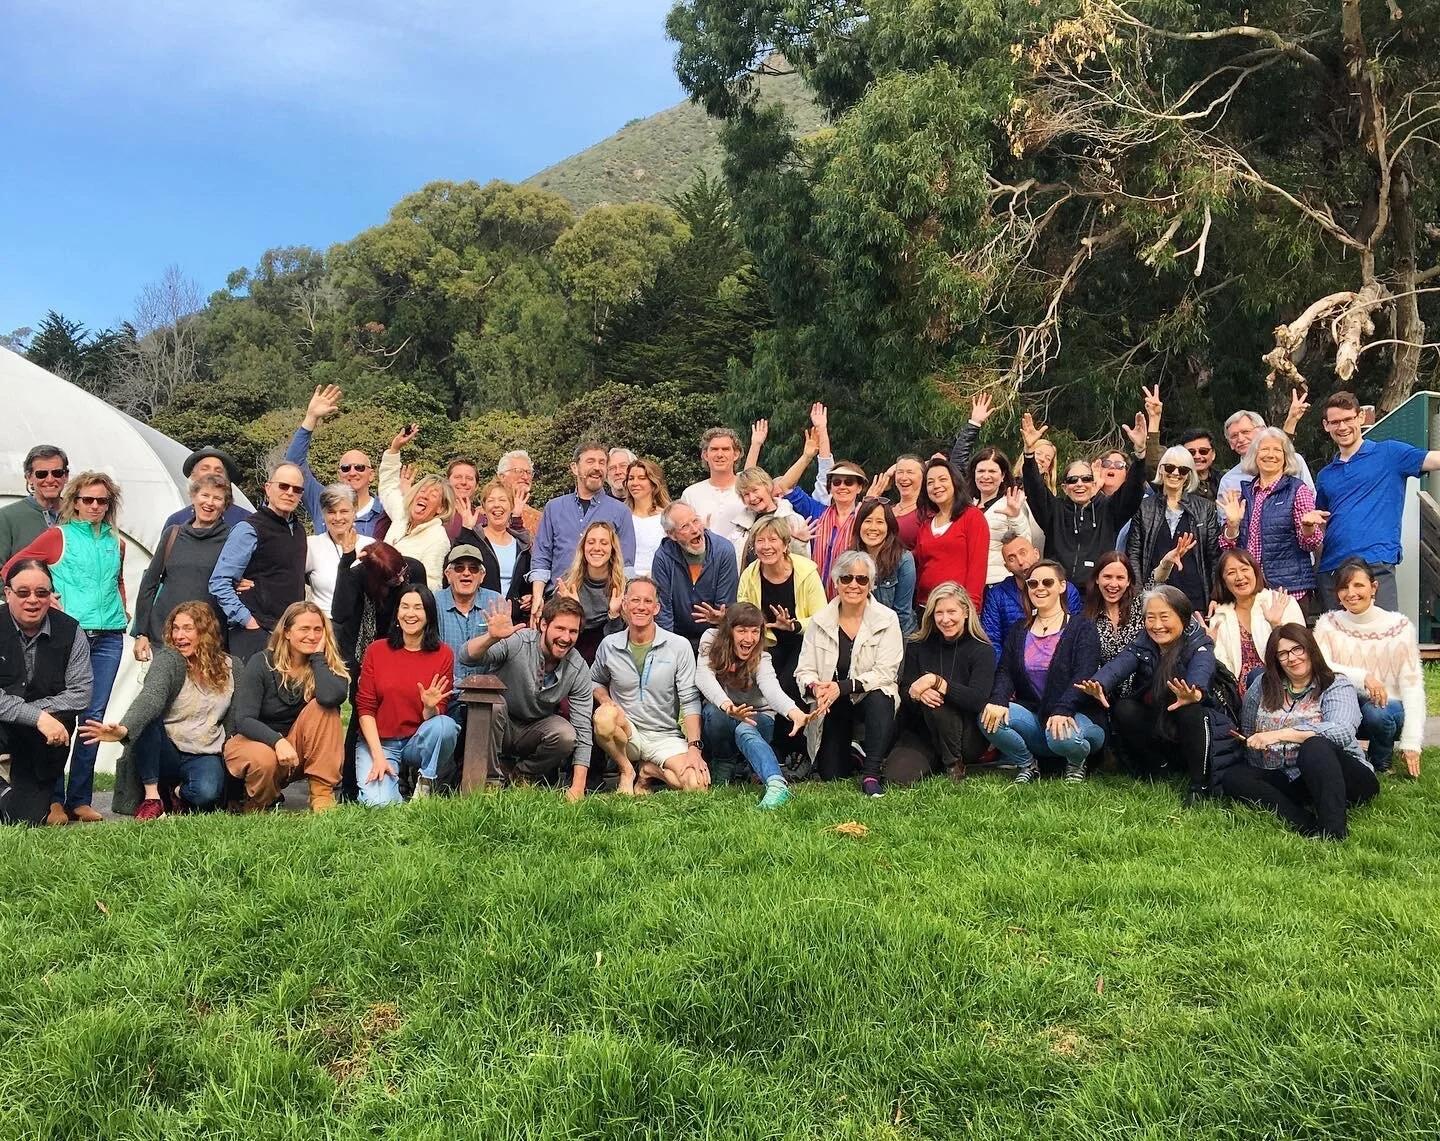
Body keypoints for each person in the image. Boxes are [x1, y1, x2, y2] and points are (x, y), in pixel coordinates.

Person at [4, 470, 127, 824]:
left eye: (102, 500)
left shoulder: (115, 541)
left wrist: (122, 606)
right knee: (60, 713)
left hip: (110, 635)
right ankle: (53, 799)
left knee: (93, 719)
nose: (95, 506)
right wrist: (50, 598)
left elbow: (117, 579)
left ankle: (80, 799)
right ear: (75, 501)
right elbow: (13, 567)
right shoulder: (59, 535)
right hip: (71, 634)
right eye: (88, 499)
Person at [1077, 585, 1239, 804]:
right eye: (1150, 618)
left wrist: (1195, 692)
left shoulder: (1199, 645)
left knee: (1189, 709)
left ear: (1183, 617)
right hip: (1162, 723)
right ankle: (1159, 766)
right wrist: (1099, 683)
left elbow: (1202, 669)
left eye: (1164, 617)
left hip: (1199, 728)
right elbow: (1120, 664)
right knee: (1125, 709)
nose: (1157, 625)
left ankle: (1198, 784)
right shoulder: (1143, 643)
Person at [1220, 623, 1378, 839]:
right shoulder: (1262, 685)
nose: (1292, 658)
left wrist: (1279, 734)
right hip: (1288, 776)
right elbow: (1249, 731)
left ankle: (1333, 832)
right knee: (1234, 776)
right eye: (1283, 654)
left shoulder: (1336, 684)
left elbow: (1341, 731)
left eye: (1297, 649)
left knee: (1315, 746)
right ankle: (1303, 822)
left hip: (1342, 776)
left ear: (1310, 649)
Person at [86, 601, 236, 819]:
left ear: (206, 632)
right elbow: (151, 697)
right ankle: (153, 797)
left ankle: (175, 793)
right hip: (166, 750)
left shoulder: (231, 666)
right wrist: (124, 729)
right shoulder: (169, 660)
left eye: (187, 628)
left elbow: (235, 718)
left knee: (206, 795)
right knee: (149, 719)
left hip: (204, 751)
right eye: (175, 628)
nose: (179, 636)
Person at [460, 595, 594, 801]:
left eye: (573, 631)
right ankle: (489, 782)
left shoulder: (577, 667)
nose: (566, 637)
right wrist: (491, 638)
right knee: (492, 705)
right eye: (560, 628)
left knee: (566, 734)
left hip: (534, 729)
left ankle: (522, 777)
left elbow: (583, 729)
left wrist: (578, 787)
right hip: (500, 721)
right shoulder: (519, 641)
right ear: (543, 625)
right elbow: (466, 657)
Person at [1314, 390, 1440, 610]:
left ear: (1360, 417)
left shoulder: (1390, 453)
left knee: (1384, 630)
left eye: (1348, 419)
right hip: (1332, 570)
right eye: (1335, 422)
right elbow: (1322, 524)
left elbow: (1434, 460)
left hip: (1375, 564)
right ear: (1326, 426)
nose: (1342, 427)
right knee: (1336, 633)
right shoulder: (1325, 475)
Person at [981, 560, 1104, 783]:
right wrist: (998, 699)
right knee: (988, 717)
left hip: (1078, 715)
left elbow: (1083, 674)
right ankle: (1028, 764)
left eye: (1047, 582)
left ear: (1062, 586)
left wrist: (1063, 709)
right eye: (1033, 583)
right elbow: (1006, 671)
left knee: (1061, 738)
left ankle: (1076, 762)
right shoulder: (1019, 629)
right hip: (1038, 718)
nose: (1039, 588)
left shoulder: (1082, 627)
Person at [795, 550, 904, 796]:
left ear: (871, 584)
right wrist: (815, 687)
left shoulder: (887, 619)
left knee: (882, 696)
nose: (853, 585)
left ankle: (871, 773)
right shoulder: (819, 621)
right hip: (833, 703)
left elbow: (886, 672)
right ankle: (854, 753)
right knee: (831, 774)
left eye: (861, 579)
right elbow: (804, 669)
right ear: (836, 582)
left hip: (868, 696)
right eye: (846, 578)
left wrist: (841, 687)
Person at [223, 601, 349, 812]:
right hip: (257, 741)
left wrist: (318, 658)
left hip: (298, 747)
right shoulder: (261, 662)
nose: (312, 635)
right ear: (287, 632)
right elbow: (244, 719)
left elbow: (330, 698)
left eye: (318, 629)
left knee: (325, 709)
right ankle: (259, 802)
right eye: (304, 629)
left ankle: (321, 797)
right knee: (264, 759)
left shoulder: (327, 665)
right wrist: (278, 741)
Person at [592, 576, 708, 794]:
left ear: (656, 608)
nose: (641, 607)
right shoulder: (609, 645)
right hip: (627, 732)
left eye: (648, 601)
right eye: (635, 600)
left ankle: (648, 771)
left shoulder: (678, 646)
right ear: (624, 605)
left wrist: (694, 747)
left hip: (664, 735)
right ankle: (627, 770)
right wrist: (606, 700)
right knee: (603, 718)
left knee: (697, 785)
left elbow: (690, 699)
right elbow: (594, 680)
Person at [1313, 558, 1425, 777]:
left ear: (1373, 587)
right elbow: (1321, 666)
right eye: (1344, 587)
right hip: (1343, 705)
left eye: (1358, 585)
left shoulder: (1399, 626)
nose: (1351, 593)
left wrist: (1411, 741)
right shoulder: (1328, 623)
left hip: (1387, 710)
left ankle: (1381, 760)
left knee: (1377, 712)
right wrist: (1363, 677)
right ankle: (1344, 759)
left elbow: (1413, 686)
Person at [0, 560, 91, 826]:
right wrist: (39, 717)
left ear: (51, 595)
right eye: (23, 592)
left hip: (41, 742)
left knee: (24, 819)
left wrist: (34, 717)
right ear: (7, 593)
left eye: (41, 593)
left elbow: (81, 693)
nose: (33, 600)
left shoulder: (71, 631)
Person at [696, 602, 810, 808]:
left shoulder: (762, 657)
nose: (749, 638)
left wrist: (793, 712)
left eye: (755, 631)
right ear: (729, 631)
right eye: (742, 631)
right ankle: (724, 764)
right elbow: (703, 677)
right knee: (714, 712)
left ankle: (777, 785)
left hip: (758, 714)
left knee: (745, 730)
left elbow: (771, 688)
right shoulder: (710, 639)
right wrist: (728, 706)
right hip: (726, 710)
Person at [355, 584, 458, 806]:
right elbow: (365, 708)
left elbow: (436, 717)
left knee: (445, 726)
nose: (410, 614)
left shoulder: (444, 654)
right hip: (381, 742)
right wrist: (378, 757)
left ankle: (425, 784)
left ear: (429, 615)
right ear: (397, 612)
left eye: (418, 608)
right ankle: (396, 787)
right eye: (405, 607)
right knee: (380, 804)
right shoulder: (376, 650)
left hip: (417, 740)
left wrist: (429, 706)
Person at [883, 582, 994, 785]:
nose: (945, 619)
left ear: (966, 612)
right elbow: (905, 690)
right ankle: (935, 760)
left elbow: (978, 699)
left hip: (965, 735)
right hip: (923, 732)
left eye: (952, 611)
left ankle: (953, 764)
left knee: (937, 703)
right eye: (939, 613)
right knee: (896, 778)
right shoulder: (918, 645)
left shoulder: (982, 649)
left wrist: (937, 682)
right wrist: (916, 694)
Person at [1021, 410, 1149, 586]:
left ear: (1093, 483)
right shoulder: (1054, 511)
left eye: (1086, 479)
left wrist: (1140, 454)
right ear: (1064, 487)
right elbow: (1034, 488)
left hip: (1095, 592)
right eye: (1073, 480)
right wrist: (1029, 454)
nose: (1079, 484)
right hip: (1059, 591)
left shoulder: (1109, 511)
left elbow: (1133, 490)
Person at [737, 516, 828, 758]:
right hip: (766, 642)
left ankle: (792, 748)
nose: (766, 546)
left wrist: (794, 625)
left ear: (786, 544)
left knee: (789, 683)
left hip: (804, 641)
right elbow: (744, 614)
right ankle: (766, 746)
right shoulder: (749, 575)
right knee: (764, 683)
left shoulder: (806, 572)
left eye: (773, 540)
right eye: (760, 541)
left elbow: (822, 618)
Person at [209, 460, 308, 661]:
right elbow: (220, 582)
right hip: (254, 634)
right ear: (268, 488)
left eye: (296, 489)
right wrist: (247, 621)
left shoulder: (299, 531)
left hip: (288, 634)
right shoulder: (249, 529)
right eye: (283, 486)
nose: (290, 492)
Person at [1217, 427, 1323, 606]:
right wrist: (1232, 525)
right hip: (1252, 591)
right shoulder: (1246, 494)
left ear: (1286, 457)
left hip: (1289, 592)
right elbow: (1227, 549)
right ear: (1255, 455)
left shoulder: (1297, 490)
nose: (1270, 455)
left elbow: (1310, 544)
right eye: (1265, 449)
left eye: (1277, 450)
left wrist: (1308, 528)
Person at [530, 441, 636, 616]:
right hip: (558, 602)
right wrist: (537, 597)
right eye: (590, 461)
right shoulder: (554, 508)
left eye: (602, 462)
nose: (597, 467)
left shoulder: (621, 512)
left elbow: (626, 565)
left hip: (604, 608)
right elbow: (541, 558)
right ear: (574, 467)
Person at [132, 472, 233, 653]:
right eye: (204, 495)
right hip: (166, 635)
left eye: (217, 498)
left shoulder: (231, 539)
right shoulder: (173, 534)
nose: (209, 502)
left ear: (225, 505)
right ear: (193, 497)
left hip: (208, 638)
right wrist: (141, 633)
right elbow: (149, 584)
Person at [1127, 445, 1221, 614]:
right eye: (1170, 468)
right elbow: (1134, 554)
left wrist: (1216, 596)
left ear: (1189, 475)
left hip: (1194, 596)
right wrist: (1139, 596)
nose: (1176, 473)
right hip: (1155, 593)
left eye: (1182, 470)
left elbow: (1214, 556)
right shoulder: (1144, 507)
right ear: (1161, 470)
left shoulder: (1205, 508)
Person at [280, 385, 386, 536]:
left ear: (372, 475)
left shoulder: (385, 511)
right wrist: (311, 418)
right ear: (339, 474)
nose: (352, 472)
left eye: (359, 467)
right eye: (345, 468)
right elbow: (293, 465)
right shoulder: (322, 499)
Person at [1206, 549, 1305, 689]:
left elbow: (1301, 651)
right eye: (1231, 573)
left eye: (1244, 569)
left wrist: (1276, 626)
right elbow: (1222, 666)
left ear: (1255, 572)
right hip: (1237, 691)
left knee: (1257, 676)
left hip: (1281, 684)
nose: (1239, 577)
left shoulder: (1281, 602)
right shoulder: (1219, 616)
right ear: (1223, 581)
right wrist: (1209, 646)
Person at [980, 532, 1083, 659]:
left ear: (1036, 553)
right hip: (1012, 664)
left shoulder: (1065, 589)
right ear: (1007, 567)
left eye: (1023, 553)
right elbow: (992, 641)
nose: (1020, 562)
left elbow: (1077, 633)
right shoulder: (997, 595)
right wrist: (1005, 668)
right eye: (1012, 559)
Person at [651, 502, 739, 651]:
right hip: (677, 638)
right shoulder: (663, 557)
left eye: (696, 521)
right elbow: (663, 611)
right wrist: (669, 650)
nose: (695, 530)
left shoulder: (724, 550)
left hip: (715, 635)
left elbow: (726, 605)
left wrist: (721, 618)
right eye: (685, 526)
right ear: (671, 535)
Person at [377, 424, 455, 589]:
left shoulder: (438, 538)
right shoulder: (402, 514)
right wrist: (394, 450)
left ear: (440, 509)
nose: (424, 495)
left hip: (404, 601)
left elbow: (432, 584)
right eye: (422, 490)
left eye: (433, 494)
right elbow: (387, 487)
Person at [1084, 545, 1183, 672]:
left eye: (1120, 578)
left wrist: (1166, 563)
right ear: (1097, 579)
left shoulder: (1140, 605)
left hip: (1144, 680)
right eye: (1107, 577)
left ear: (1128, 581)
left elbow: (1156, 581)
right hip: (1105, 681)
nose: (1113, 584)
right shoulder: (1088, 617)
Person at [435, 545, 503, 718]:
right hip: (445, 693)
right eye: (459, 568)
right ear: (448, 575)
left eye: (473, 569)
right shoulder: (434, 603)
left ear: (482, 576)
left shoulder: (495, 601)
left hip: (486, 695)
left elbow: (502, 654)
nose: (466, 573)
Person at [912, 458, 989, 607]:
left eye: (943, 479)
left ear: (955, 482)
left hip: (958, 607)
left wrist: (971, 607)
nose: (936, 486)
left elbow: (978, 567)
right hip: (926, 605)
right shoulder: (926, 525)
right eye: (930, 482)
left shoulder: (972, 517)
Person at [555, 520, 628, 662]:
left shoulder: (623, 587)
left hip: (609, 660)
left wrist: (614, 615)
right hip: (571, 659)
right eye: (591, 542)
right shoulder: (567, 584)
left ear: (612, 549)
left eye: (604, 543)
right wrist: (573, 611)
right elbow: (558, 638)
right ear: (583, 547)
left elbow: (619, 645)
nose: (597, 548)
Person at [1217, 397, 1314, 500]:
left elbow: (1312, 500)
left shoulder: (1294, 461)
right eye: (1234, 436)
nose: (1240, 439)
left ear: (1263, 431)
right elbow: (1225, 510)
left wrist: (1291, 421)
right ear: (1230, 443)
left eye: (1246, 432)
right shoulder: (1229, 481)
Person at [969, 448, 1040, 586]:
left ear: (1002, 476)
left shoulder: (1012, 502)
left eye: (992, 471)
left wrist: (1015, 516)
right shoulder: (967, 505)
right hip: (970, 581)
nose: (986, 476)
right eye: (981, 471)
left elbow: (1025, 544)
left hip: (998, 582)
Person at [463, 480, 533, 619]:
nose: (497, 505)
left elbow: (526, 582)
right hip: (478, 616)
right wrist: (465, 531)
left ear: (511, 506)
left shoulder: (521, 545)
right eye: (491, 500)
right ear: (483, 508)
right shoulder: (474, 539)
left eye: (502, 500)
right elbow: (454, 569)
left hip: (512, 619)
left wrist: (529, 597)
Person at [850, 498, 916, 637]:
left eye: (880, 522)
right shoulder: (849, 559)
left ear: (889, 527)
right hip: (859, 634)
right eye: (868, 521)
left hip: (896, 634)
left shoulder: (903, 560)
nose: (873, 527)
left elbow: (902, 614)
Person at [305, 485, 374, 619]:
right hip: (324, 623)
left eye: (344, 511)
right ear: (323, 514)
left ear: (354, 511)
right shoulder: (312, 545)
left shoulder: (370, 545)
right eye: (331, 512)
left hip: (362, 624)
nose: (338, 518)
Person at [0, 445, 69, 561]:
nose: (50, 480)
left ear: (66, 476)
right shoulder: (6, 517)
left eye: (57, 473)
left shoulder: (80, 514)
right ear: (29, 478)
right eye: (41, 474)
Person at [732, 467, 811, 566]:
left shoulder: (792, 519)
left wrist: (799, 543)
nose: (752, 498)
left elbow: (804, 565)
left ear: (767, 486)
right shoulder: (741, 526)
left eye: (755, 490)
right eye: (746, 494)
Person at [682, 427, 746, 543]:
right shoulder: (691, 494)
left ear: (736, 454)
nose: (719, 454)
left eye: (725, 449)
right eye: (714, 449)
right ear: (705, 455)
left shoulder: (748, 490)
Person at [161, 448, 250, 529]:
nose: (211, 473)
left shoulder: (245, 520)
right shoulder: (176, 522)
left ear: (226, 480)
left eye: (218, 471)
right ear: (192, 476)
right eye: (205, 469)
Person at [624, 458, 671, 577]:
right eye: (631, 478)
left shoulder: (667, 517)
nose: (635, 483)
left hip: (658, 580)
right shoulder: (621, 516)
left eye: (641, 478)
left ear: (653, 484)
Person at [497, 450, 542, 540]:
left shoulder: (539, 519)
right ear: (502, 477)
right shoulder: (486, 514)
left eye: (528, 472)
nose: (525, 477)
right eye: (518, 471)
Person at [890, 454, 927, 549]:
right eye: (900, 472)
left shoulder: (927, 513)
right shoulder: (886, 510)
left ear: (923, 477)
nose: (904, 478)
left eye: (910, 472)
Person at [443, 458, 482, 542]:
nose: (463, 482)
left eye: (469, 478)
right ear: (447, 482)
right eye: (458, 477)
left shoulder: (483, 519)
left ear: (476, 486)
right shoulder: (435, 514)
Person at [1178, 429, 1221, 500]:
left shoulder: (1224, 480)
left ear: (1213, 454)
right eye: (1191, 452)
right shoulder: (1176, 483)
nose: (1197, 456)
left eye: (1203, 451)